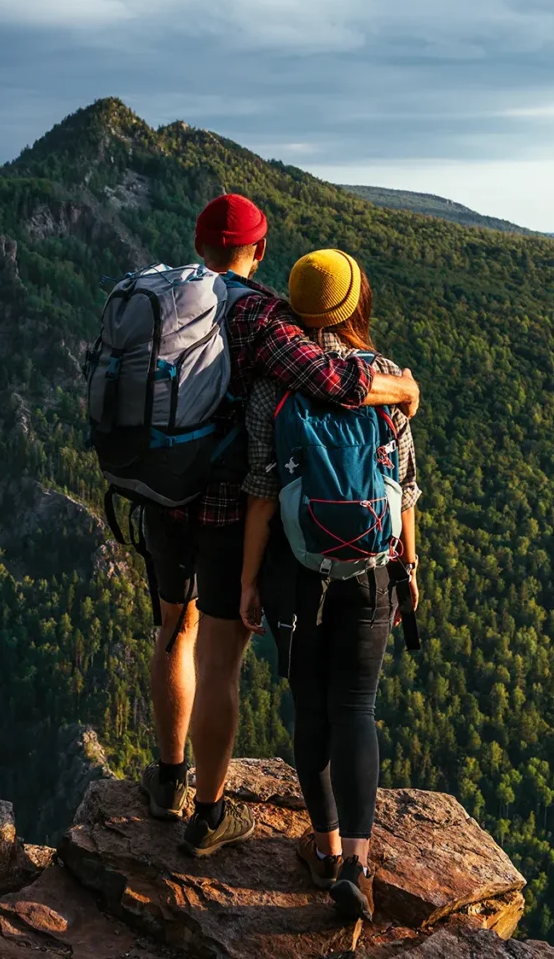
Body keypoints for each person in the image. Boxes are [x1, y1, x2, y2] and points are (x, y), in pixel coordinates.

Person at [139, 196, 421, 859]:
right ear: (259, 251)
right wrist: (401, 389)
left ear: (198, 242)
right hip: (223, 508)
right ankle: (207, 815)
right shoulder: (259, 312)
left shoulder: (163, 295)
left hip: (157, 494)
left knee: (169, 632)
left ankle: (167, 775)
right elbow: (327, 378)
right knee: (218, 663)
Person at [239, 249, 421, 920]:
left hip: (296, 570)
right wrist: (409, 568)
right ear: (353, 306)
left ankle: (322, 851)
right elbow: (403, 488)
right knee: (356, 709)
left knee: (310, 709)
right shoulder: (386, 379)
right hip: (372, 571)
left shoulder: (270, 386)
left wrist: (250, 581)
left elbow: (261, 490)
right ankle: (360, 867)